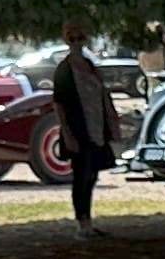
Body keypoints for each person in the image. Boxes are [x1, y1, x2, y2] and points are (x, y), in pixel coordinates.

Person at [47, 20, 118, 227]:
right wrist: (67, 133)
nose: (77, 41)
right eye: (72, 37)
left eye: (80, 37)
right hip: (78, 129)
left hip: (96, 126)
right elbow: (58, 104)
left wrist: (112, 121)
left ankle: (88, 219)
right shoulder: (64, 70)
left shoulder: (90, 66)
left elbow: (103, 94)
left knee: (93, 174)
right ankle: (82, 221)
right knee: (81, 175)